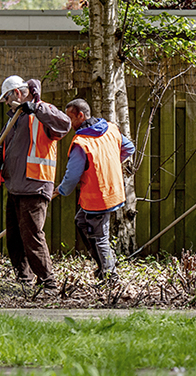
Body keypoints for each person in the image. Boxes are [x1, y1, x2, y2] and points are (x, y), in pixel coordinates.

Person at [0, 75, 71, 290]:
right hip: (15, 185)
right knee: (14, 238)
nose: (7, 103)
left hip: (35, 183)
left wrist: (36, 109)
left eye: (7, 98)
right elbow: (4, 149)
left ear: (17, 93)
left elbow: (64, 124)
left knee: (32, 235)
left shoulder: (41, 111)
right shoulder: (14, 119)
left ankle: (48, 283)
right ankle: (24, 280)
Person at [56, 98, 135, 283]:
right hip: (112, 191)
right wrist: (112, 162)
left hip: (98, 197)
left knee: (99, 236)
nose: (69, 122)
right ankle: (105, 265)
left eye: (70, 118)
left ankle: (110, 276)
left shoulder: (82, 142)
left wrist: (61, 190)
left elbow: (72, 175)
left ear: (80, 115)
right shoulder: (110, 129)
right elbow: (128, 147)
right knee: (82, 222)